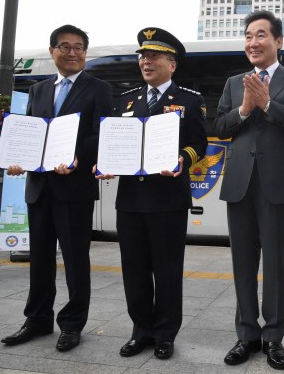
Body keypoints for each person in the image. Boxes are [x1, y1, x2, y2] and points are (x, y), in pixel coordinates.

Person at [95, 27, 207, 359]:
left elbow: (199, 144)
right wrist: (106, 163)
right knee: (133, 267)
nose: (146, 61)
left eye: (154, 56)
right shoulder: (127, 99)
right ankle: (140, 330)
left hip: (168, 199)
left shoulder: (189, 100)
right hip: (130, 199)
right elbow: (117, 142)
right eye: (143, 56)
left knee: (168, 269)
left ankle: (165, 334)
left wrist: (181, 159)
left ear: (172, 64)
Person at [213, 10, 284, 370]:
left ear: (278, 41)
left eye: (260, 35)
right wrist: (244, 108)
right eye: (248, 36)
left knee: (275, 264)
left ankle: (274, 338)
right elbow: (221, 127)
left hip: (277, 183)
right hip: (240, 181)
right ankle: (247, 336)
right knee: (242, 264)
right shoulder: (233, 83)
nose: (252, 42)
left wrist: (269, 104)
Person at [1, 24, 114, 351]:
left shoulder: (99, 89)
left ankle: (72, 325)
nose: (73, 53)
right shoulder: (38, 90)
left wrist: (77, 158)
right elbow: (29, 132)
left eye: (79, 47)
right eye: (65, 46)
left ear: (85, 53)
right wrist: (17, 158)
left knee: (76, 259)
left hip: (74, 187)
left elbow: (100, 133)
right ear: (52, 51)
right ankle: (37, 320)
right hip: (39, 187)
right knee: (39, 258)